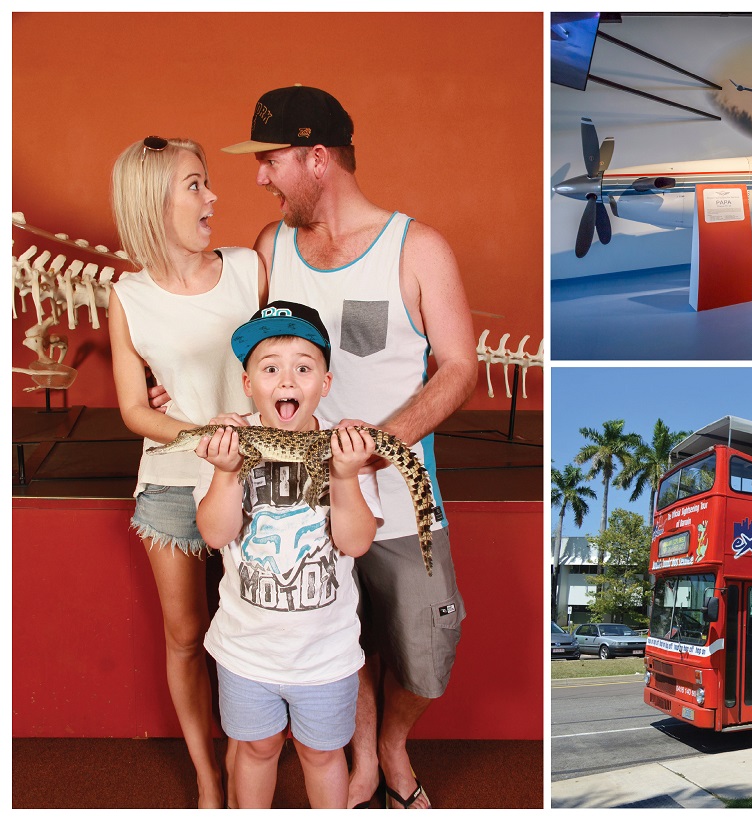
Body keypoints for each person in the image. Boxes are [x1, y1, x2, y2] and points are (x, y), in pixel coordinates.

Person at [223, 85, 478, 810]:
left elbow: (461, 366)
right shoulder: (272, 247)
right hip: (297, 507)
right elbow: (249, 357)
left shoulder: (417, 247)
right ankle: (366, 757)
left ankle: (392, 739)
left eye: (270, 160)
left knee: (428, 658)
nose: (260, 177)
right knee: (338, 645)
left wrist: (375, 449)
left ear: (318, 158)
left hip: (400, 503)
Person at [109, 135, 266, 808]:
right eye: (196, 185)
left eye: (208, 182)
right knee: (185, 636)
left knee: (255, 627)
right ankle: (208, 775)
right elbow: (135, 412)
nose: (214, 197)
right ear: (154, 203)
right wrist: (207, 430)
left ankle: (252, 754)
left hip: (257, 478)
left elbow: (293, 358)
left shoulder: (249, 270)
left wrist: (241, 435)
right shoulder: (128, 296)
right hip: (172, 479)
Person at [194, 302, 379, 809]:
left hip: (326, 655)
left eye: (303, 366)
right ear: (248, 382)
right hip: (245, 651)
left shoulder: (346, 446)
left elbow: (356, 542)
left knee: (323, 755)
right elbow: (215, 534)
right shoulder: (225, 444)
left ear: (326, 381)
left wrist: (344, 475)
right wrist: (226, 472)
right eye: (270, 367)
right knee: (256, 747)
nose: (287, 379)